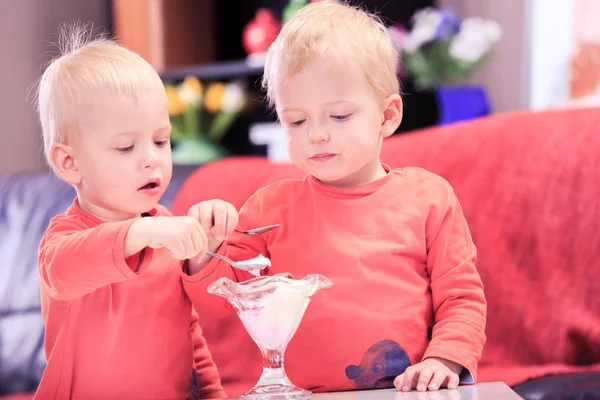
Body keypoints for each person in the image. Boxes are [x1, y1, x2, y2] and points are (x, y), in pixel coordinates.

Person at [183, 1, 487, 394]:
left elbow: (461, 298)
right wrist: (204, 250)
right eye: (297, 120)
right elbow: (220, 302)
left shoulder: (429, 198)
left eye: (339, 116)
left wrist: (443, 359)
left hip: (405, 393)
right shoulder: (269, 208)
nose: (317, 134)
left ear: (387, 115)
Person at [34, 23, 238, 400]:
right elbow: (63, 271)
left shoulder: (166, 229)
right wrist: (141, 233)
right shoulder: (63, 240)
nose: (152, 160)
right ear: (69, 163)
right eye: (126, 147)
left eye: (162, 141)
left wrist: (203, 251)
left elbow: (200, 323)